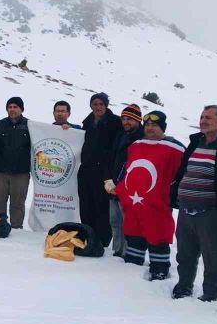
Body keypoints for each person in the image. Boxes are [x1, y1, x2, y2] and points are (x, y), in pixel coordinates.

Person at [172, 105, 217, 301]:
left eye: (208, 117)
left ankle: (210, 294)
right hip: (185, 209)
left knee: (213, 256)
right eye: (201, 117)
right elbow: (184, 171)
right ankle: (184, 287)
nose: (203, 120)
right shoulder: (194, 142)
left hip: (212, 212)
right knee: (185, 254)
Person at [114, 111, 184, 280]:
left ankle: (159, 270)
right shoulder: (137, 145)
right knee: (134, 233)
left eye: (154, 125)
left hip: (158, 204)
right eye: (147, 125)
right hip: (134, 203)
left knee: (157, 235)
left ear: (163, 128)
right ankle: (133, 266)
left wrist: (173, 195)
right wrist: (119, 186)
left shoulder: (175, 148)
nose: (150, 128)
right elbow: (127, 168)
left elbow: (182, 174)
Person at [78, 92, 122, 249]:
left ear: (106, 105)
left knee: (102, 207)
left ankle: (102, 241)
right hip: (86, 170)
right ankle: (88, 236)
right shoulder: (87, 122)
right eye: (95, 104)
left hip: (105, 173)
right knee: (86, 204)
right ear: (91, 105)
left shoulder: (116, 122)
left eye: (101, 104)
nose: (98, 107)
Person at [104, 104, 144, 258]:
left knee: (130, 223)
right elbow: (111, 158)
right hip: (113, 186)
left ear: (138, 120)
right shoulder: (120, 135)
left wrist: (121, 183)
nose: (126, 122)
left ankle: (129, 252)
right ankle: (117, 250)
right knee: (115, 221)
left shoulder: (141, 138)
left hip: (130, 189)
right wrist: (108, 179)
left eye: (130, 119)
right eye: (124, 119)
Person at [0, 97, 30, 229]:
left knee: (18, 203)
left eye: (15, 107)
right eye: (10, 107)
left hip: (21, 172)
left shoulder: (30, 126)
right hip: (0, 171)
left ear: (21, 109)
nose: (12, 109)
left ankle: (16, 228)